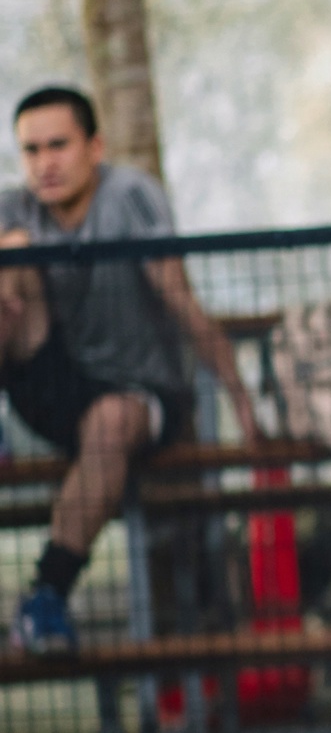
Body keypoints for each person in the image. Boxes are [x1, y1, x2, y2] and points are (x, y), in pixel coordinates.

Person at [0, 85, 259, 653]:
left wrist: (239, 394)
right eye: (31, 150)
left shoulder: (131, 196)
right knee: (9, 253)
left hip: (140, 391)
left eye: (59, 145)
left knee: (111, 419)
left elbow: (180, 298)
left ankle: (46, 597)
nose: (45, 163)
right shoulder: (13, 209)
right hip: (51, 383)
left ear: (95, 147)